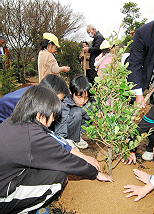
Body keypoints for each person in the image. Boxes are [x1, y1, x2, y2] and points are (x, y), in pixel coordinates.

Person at [0, 86, 112, 214]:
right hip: (3, 196)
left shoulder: (13, 121)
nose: (53, 119)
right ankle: (23, 210)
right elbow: (65, 159)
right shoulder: (32, 136)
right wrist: (95, 172)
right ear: (40, 114)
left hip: (7, 176)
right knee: (58, 177)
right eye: (53, 114)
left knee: (44, 168)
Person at [0, 74, 69, 123]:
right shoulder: (26, 103)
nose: (58, 104)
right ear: (48, 94)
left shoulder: (38, 94)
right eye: (57, 100)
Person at [53, 75, 92, 149]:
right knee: (76, 112)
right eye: (79, 97)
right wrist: (63, 138)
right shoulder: (64, 104)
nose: (83, 101)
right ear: (71, 92)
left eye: (86, 97)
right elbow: (61, 124)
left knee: (90, 109)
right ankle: (70, 139)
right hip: (63, 131)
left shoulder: (90, 102)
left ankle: (76, 138)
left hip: (75, 129)